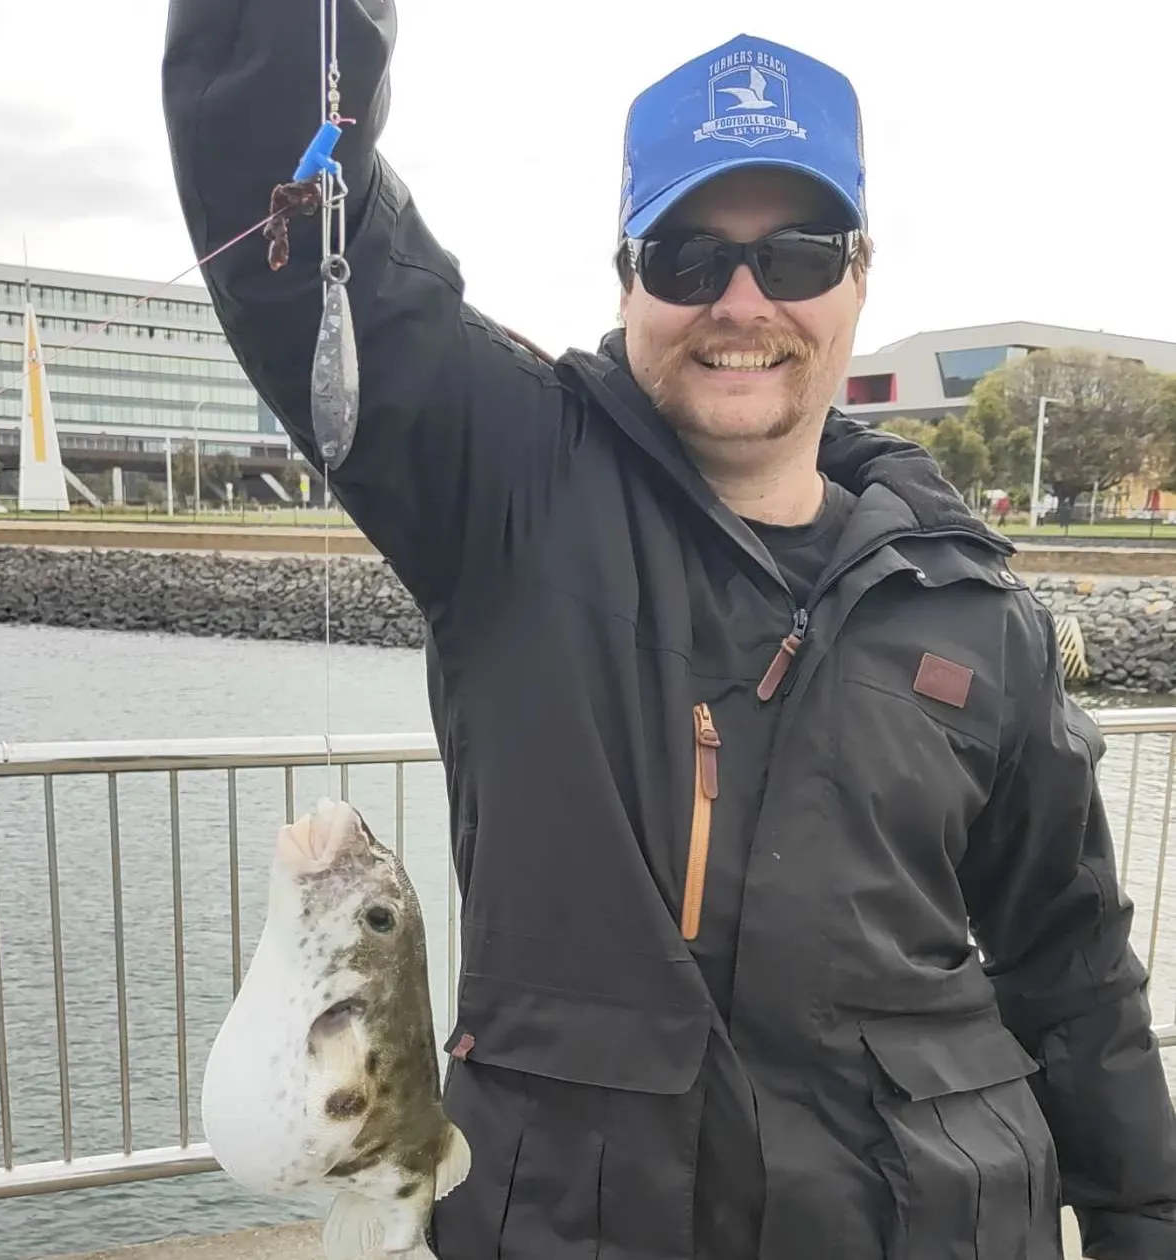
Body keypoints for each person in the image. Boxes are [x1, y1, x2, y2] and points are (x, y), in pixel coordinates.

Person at [161, 4, 1176, 1256]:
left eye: (797, 253)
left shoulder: (978, 605)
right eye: (689, 256)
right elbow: (286, 192)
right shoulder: (510, 486)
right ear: (628, 279)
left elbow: (1072, 972)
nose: (742, 302)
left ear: (862, 272)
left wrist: (1140, 1224)